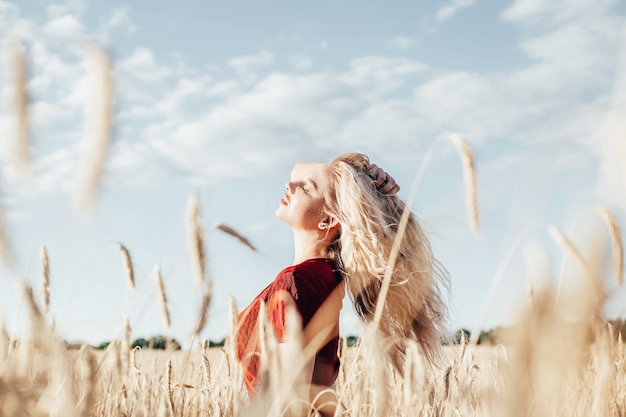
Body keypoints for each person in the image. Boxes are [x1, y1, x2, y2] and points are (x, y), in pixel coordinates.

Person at [235, 152, 449, 413]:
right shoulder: (327, 277)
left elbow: (290, 404)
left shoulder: (296, 282)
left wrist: (357, 179)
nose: (290, 186)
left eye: (307, 186)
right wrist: (364, 173)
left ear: (328, 220)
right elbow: (297, 169)